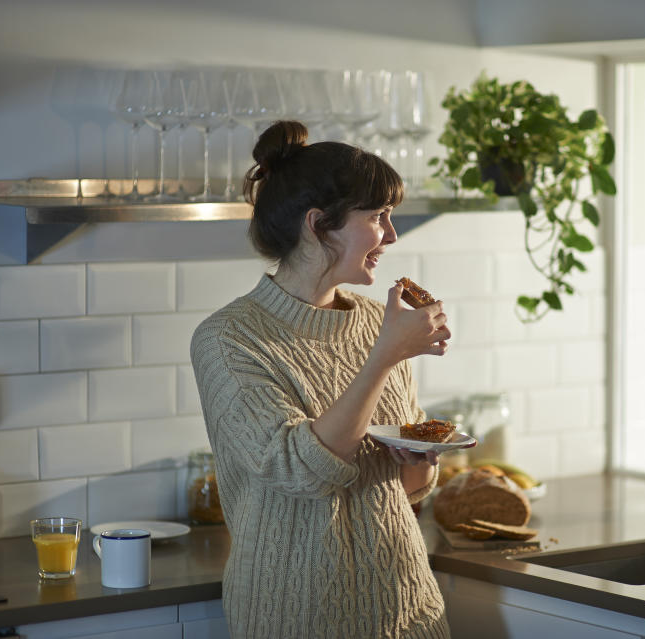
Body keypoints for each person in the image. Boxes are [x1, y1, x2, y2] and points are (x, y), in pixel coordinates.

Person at [190, 120, 452, 639]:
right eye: (378, 216)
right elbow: (303, 472)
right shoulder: (228, 339)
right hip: (297, 618)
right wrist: (383, 357)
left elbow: (402, 491)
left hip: (411, 612)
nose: (392, 235)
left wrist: (421, 459)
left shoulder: (384, 322)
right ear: (319, 225)